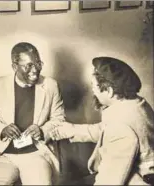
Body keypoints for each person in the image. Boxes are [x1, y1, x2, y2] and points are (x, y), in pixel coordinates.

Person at [49, 57, 154, 185]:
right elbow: (106, 130)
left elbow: (109, 181)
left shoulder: (119, 127)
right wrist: (70, 130)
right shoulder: (136, 104)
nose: (92, 90)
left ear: (109, 91)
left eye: (94, 86)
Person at [0, 42, 66, 185]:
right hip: (4, 154)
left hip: (36, 154)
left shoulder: (50, 85)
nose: (35, 69)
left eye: (38, 63)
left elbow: (59, 120)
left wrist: (42, 131)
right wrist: (2, 129)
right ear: (14, 66)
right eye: (28, 65)